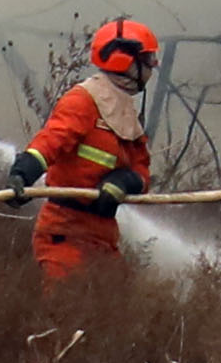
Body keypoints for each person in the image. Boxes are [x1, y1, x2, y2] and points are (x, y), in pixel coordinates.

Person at [27, 20, 165, 289]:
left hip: (102, 238)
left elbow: (141, 170)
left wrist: (126, 182)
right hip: (64, 234)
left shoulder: (124, 111)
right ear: (126, 59)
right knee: (68, 314)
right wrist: (26, 168)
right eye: (148, 59)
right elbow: (52, 140)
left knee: (119, 314)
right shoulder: (84, 100)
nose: (151, 67)